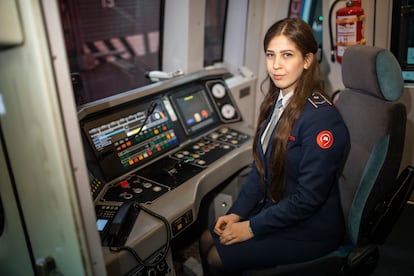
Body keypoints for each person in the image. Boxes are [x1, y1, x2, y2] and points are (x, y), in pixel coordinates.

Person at [199, 18, 350, 275]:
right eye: (271, 55)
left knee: (215, 257)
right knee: (205, 237)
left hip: (310, 229)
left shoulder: (322, 118)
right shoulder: (276, 102)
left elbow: (308, 199)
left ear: (307, 60)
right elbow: (261, 170)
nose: (276, 65)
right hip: (281, 212)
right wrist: (237, 214)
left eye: (287, 55)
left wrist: (251, 227)